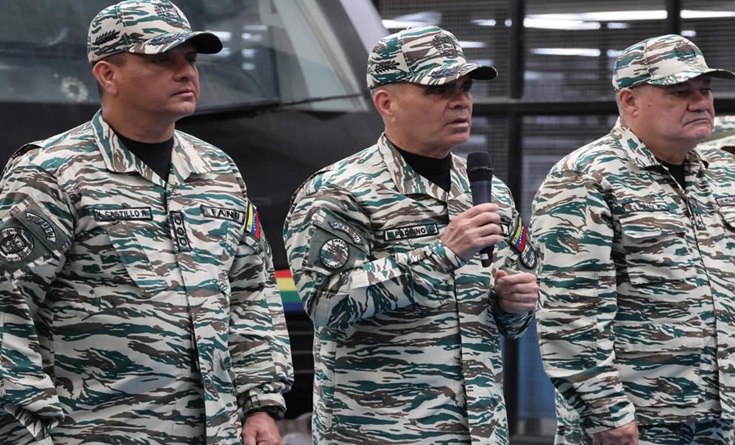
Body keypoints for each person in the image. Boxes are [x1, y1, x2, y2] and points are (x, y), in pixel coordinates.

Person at [0, 1, 292, 444]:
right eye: (162, 60)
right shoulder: (51, 174)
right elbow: (8, 308)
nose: (185, 73)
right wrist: (26, 433)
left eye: (189, 59)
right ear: (107, 75)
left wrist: (260, 405)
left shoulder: (217, 171)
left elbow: (251, 290)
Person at [282, 25, 539, 445]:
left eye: (465, 87)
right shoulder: (338, 191)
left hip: (479, 429)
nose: (461, 101)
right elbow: (325, 303)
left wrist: (514, 304)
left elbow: (506, 318)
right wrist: (441, 255)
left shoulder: (486, 190)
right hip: (380, 432)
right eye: (439, 90)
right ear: (386, 102)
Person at [530, 34, 735, 444]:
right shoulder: (585, 178)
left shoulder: (731, 177)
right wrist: (605, 412)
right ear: (629, 101)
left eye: (705, 89)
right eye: (680, 92)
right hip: (634, 423)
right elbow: (571, 313)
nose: (700, 102)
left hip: (724, 419)